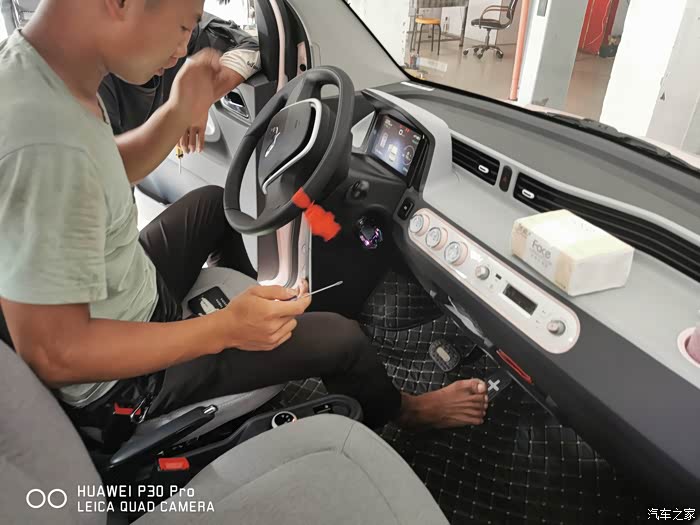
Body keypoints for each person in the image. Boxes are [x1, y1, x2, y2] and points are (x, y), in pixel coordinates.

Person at [0, 0, 489, 436]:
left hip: (123, 288)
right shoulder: (43, 142)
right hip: (119, 388)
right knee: (344, 339)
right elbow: (55, 354)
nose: (182, 50)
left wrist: (180, 109)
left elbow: (107, 166)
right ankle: (406, 411)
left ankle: (253, 312)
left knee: (212, 204)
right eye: (183, 26)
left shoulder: (42, 71)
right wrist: (224, 330)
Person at [99, 0, 260, 152]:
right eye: (182, 28)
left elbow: (252, 48)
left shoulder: (183, 25)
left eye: (189, 28)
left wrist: (198, 99)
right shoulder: (94, 88)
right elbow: (108, 166)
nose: (183, 51)